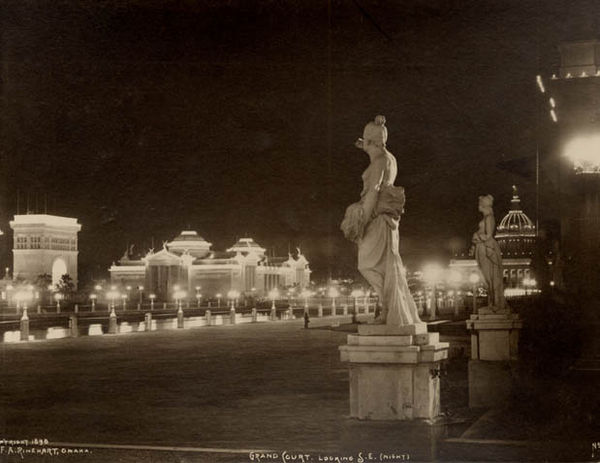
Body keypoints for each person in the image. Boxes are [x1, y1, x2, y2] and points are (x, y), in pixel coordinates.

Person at [341, 115, 421, 326]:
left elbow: (373, 192)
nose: (363, 144)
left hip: (376, 219)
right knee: (385, 265)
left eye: (365, 141)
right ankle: (389, 309)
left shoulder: (379, 162)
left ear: (371, 141)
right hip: (387, 220)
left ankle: (387, 309)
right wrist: (365, 145)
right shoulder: (388, 158)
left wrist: (362, 221)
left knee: (367, 265)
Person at [471, 194, 506, 310]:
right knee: (486, 277)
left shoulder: (489, 217)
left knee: (490, 277)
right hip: (482, 248)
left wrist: (476, 236)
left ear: (483, 205)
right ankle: (493, 302)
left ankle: (496, 303)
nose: (478, 205)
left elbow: (489, 235)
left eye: (479, 203)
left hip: (487, 248)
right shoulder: (486, 217)